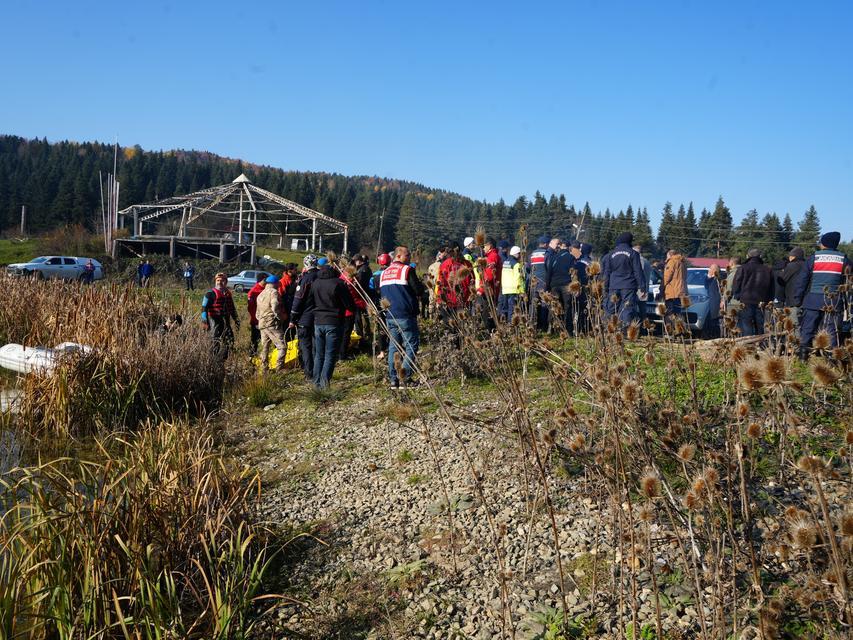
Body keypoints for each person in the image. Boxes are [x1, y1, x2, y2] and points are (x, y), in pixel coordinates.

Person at [793, 231, 851, 358]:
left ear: (824, 243)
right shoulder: (844, 259)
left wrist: (798, 299)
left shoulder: (814, 258)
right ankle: (832, 359)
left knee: (807, 329)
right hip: (834, 301)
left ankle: (803, 357)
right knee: (832, 330)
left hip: (812, 300)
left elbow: (802, 280)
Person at [301, 262, 356, 389]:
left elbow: (309, 302)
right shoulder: (338, 283)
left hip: (318, 322)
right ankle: (324, 385)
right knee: (330, 355)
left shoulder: (315, 283)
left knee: (319, 354)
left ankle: (316, 383)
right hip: (334, 321)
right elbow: (349, 305)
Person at [380, 246, 421, 389]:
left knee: (393, 347)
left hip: (390, 315)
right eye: (407, 255)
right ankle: (405, 376)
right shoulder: (407, 270)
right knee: (411, 345)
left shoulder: (384, 273)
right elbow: (418, 289)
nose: (409, 258)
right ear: (398, 256)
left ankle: (393, 379)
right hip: (405, 314)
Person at [602, 232, 646, 328]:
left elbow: (607, 272)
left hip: (613, 286)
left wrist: (604, 287)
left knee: (611, 308)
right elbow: (638, 271)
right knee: (626, 309)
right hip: (628, 286)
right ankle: (624, 331)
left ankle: (608, 329)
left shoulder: (611, 254)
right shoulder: (633, 254)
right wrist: (643, 287)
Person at [289, 254, 321, 381]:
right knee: (317, 346)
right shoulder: (322, 276)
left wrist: (292, 318)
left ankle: (309, 373)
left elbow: (298, 299)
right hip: (320, 317)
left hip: (305, 317)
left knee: (306, 346)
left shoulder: (305, 279)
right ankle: (319, 371)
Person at [732, 248, 774, 336]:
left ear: (748, 256)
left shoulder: (743, 268)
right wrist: (768, 299)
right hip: (761, 301)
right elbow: (771, 287)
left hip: (745, 300)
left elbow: (736, 283)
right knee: (759, 325)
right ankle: (760, 344)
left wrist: (737, 295)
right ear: (760, 257)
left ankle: (749, 345)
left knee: (746, 324)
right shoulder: (767, 269)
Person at [201, 272, 240, 358]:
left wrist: (236, 320)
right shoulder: (210, 293)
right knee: (215, 339)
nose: (219, 282)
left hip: (226, 319)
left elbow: (232, 308)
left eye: (222, 280)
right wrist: (204, 321)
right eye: (218, 280)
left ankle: (222, 358)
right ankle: (212, 358)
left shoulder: (228, 294)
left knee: (230, 340)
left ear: (226, 282)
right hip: (214, 319)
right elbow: (204, 308)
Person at [256, 275, 288, 373]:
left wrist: (261, 319)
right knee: (282, 346)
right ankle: (279, 367)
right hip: (272, 323)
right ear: (275, 283)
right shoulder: (274, 292)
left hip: (262, 323)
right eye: (278, 282)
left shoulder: (261, 294)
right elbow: (275, 307)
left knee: (265, 346)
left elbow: (257, 313)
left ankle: (264, 368)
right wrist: (280, 317)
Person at [438, 243, 473, 325]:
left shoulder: (467, 264)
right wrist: (440, 300)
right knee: (454, 326)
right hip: (451, 301)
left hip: (462, 300)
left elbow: (471, 281)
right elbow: (441, 284)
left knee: (461, 326)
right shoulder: (446, 265)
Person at [548, 238, 577, 333]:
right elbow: (573, 272)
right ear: (569, 247)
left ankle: (554, 328)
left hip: (554, 285)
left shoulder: (553, 257)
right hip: (566, 285)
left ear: (560, 246)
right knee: (567, 307)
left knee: (555, 306)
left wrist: (548, 286)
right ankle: (568, 329)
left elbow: (549, 272)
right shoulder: (571, 257)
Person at [339, 264, 367, 358]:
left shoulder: (340, 279)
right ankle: (342, 354)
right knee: (346, 333)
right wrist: (364, 304)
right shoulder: (351, 283)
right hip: (349, 311)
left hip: (340, 312)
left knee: (341, 333)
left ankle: (340, 352)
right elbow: (355, 297)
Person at [528, 235, 553, 330]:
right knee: (544, 304)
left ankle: (533, 324)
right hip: (544, 283)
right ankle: (543, 326)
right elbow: (549, 268)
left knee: (533, 304)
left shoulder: (532, 254)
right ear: (546, 244)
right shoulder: (547, 254)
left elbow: (528, 268)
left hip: (533, 282)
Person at [477, 237, 502, 329]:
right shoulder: (490, 256)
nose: (483, 248)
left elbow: (489, 276)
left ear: (489, 245)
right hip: (489, 289)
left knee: (486, 313)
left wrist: (481, 289)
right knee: (487, 312)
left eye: (484, 246)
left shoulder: (492, 256)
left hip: (488, 290)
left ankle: (489, 332)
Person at [777, 247, 806, 327]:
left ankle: (795, 339)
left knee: (793, 325)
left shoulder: (791, 266)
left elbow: (781, 280)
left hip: (793, 299)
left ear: (794, 256)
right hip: (806, 300)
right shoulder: (807, 265)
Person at [499, 246, 524, 322]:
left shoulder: (505, 262)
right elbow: (518, 278)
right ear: (517, 254)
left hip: (505, 289)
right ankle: (511, 324)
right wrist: (521, 291)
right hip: (513, 289)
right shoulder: (516, 264)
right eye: (520, 254)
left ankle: (503, 323)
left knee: (504, 308)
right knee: (512, 309)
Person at [662, 249, 688, 325]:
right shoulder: (683, 262)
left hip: (671, 291)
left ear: (670, 255)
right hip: (680, 291)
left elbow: (667, 276)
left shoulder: (672, 261)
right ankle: (679, 331)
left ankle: (670, 332)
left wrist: (662, 287)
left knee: (669, 313)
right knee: (678, 313)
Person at [246, 272, 267, 355]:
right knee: (255, 340)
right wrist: (256, 320)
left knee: (265, 340)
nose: (267, 282)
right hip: (256, 321)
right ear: (261, 280)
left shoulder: (266, 289)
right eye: (265, 280)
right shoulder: (253, 291)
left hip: (266, 320)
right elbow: (250, 308)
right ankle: (252, 356)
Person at [633, 245, 652, 324]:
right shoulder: (646, 261)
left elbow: (638, 274)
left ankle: (637, 328)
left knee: (635, 310)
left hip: (638, 288)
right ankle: (644, 328)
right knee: (643, 310)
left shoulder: (639, 260)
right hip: (645, 288)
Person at [703, 264, 723, 339]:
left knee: (714, 319)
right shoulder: (712, 278)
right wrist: (708, 276)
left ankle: (715, 336)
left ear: (715, 270)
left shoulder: (719, 278)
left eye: (710, 268)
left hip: (717, 301)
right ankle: (710, 335)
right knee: (710, 319)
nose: (709, 270)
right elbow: (706, 286)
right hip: (712, 301)